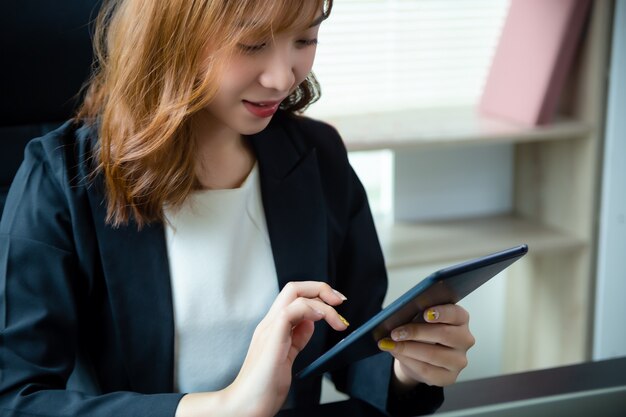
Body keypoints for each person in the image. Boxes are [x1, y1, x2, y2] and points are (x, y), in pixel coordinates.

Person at [0, 0, 475, 416]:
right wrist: (220, 410)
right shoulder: (61, 178)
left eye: (305, 38)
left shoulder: (319, 156)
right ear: (173, 34)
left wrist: (409, 365)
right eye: (251, 45)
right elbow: (17, 398)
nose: (283, 77)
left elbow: (353, 340)